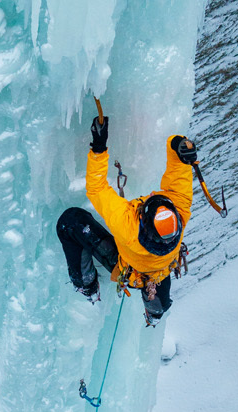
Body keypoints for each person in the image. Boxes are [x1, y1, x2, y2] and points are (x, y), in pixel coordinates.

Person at [57, 109, 198, 326]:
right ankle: (155, 313)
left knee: (69, 222)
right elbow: (179, 176)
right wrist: (178, 146)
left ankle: (87, 285)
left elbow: (96, 189)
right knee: (156, 285)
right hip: (161, 269)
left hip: (128, 267)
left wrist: (98, 148)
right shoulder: (179, 211)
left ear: (143, 221)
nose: (153, 196)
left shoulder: (127, 225)